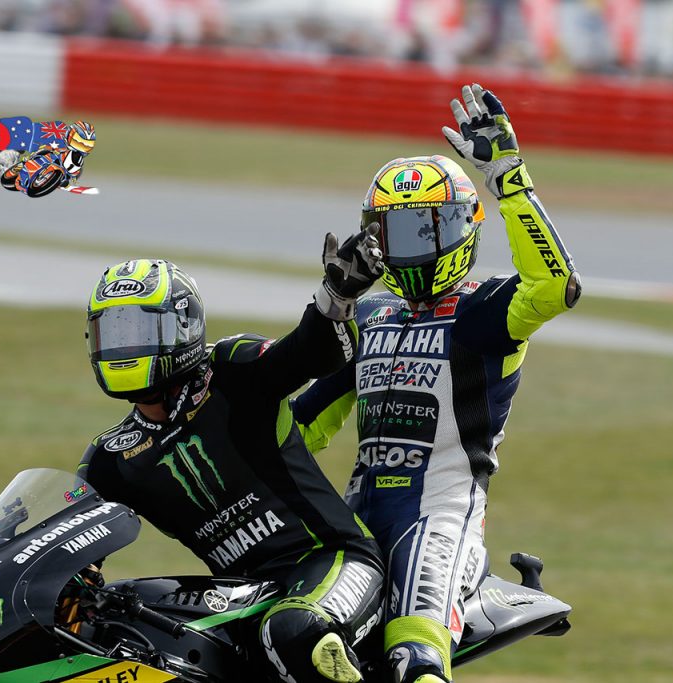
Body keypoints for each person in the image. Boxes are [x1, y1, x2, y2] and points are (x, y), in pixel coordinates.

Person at [293, 84, 581, 683]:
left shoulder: (485, 309)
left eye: (429, 230)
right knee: (297, 639)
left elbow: (556, 287)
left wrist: (510, 179)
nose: (413, 249)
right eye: (397, 233)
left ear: (463, 229)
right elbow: (299, 428)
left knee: (414, 658)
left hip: (441, 516)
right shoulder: (366, 318)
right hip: (355, 514)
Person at [77, 228, 387, 683]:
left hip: (334, 559)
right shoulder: (110, 460)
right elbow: (72, 545)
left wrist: (337, 294)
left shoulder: (233, 369)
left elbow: (310, 353)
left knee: (295, 630)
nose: (126, 348)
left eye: (141, 330)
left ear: (182, 327)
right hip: (241, 598)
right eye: (115, 332)